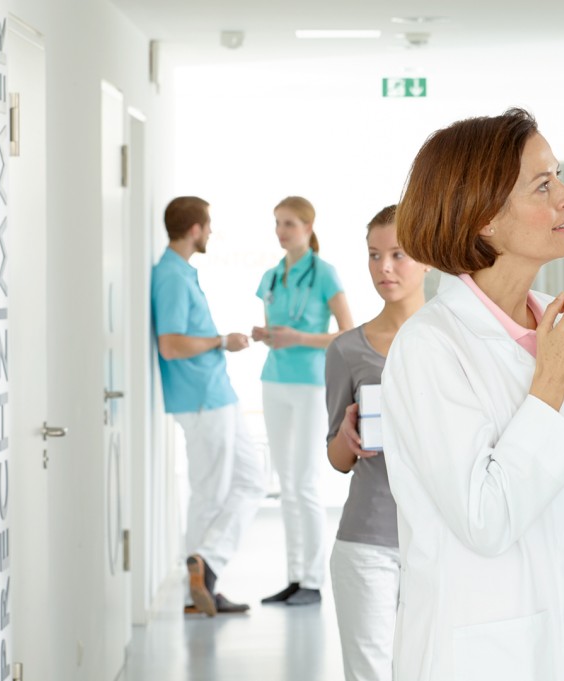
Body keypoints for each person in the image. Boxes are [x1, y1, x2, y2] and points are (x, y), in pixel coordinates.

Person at [381, 109, 564, 681]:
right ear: (485, 218)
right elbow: (484, 517)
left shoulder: (550, 320)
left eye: (559, 179)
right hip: (486, 651)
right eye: (544, 185)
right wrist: (547, 386)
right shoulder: (430, 347)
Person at [324, 205, 426, 681]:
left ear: (427, 257)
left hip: (440, 540)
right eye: (373, 255)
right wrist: (347, 438)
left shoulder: (459, 341)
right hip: (368, 543)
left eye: (398, 254)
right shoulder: (346, 350)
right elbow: (336, 458)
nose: (384, 267)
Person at [151, 195, 265, 617]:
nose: (211, 232)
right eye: (209, 225)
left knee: (253, 480)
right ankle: (195, 592)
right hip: (200, 400)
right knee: (209, 495)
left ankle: (206, 564)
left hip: (219, 394)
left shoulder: (181, 272)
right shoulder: (171, 277)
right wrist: (221, 341)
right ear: (195, 229)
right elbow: (171, 344)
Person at [251, 196, 354, 606]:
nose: (281, 231)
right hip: (274, 380)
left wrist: (300, 338)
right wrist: (266, 335)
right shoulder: (272, 276)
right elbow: (279, 325)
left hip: (311, 384)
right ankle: (294, 576)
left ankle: (312, 580)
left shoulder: (324, 274)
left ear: (308, 227)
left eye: (289, 224)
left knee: (306, 481)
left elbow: (347, 332)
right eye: (277, 223)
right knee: (287, 484)